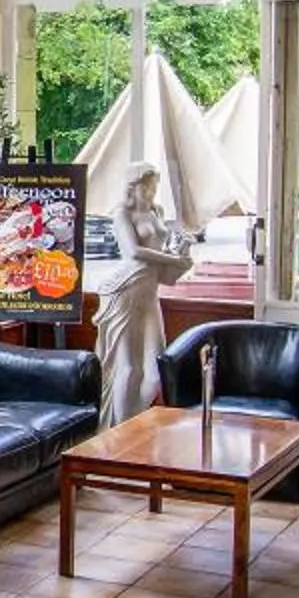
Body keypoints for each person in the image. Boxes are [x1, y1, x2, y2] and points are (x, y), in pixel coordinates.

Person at [91, 163, 194, 425]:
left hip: (150, 293)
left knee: (155, 371)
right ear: (133, 186)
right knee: (128, 369)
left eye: (153, 186)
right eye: (146, 186)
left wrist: (182, 259)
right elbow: (133, 252)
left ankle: (132, 422)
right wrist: (170, 259)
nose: (151, 191)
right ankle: (116, 435)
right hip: (125, 290)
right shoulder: (122, 214)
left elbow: (165, 276)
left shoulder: (156, 212)